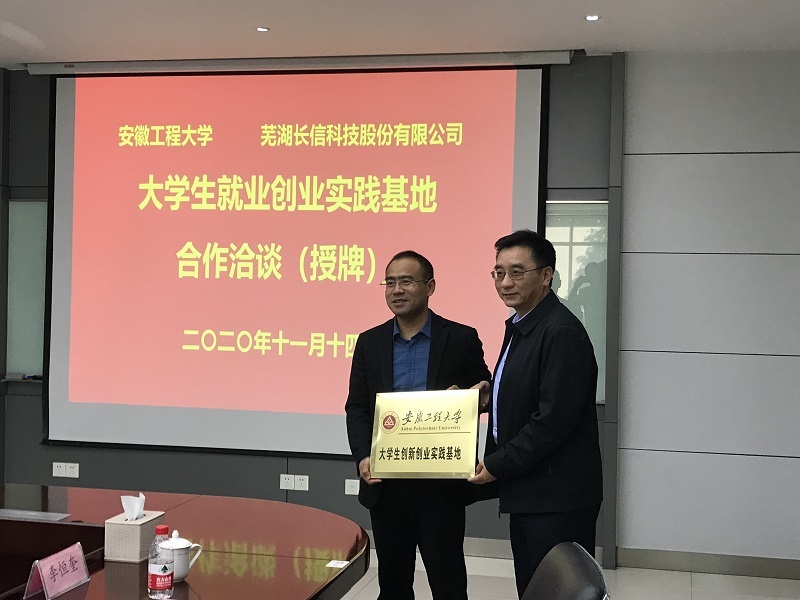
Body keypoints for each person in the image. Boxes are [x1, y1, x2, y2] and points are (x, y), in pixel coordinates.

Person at [345, 250, 491, 600]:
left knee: (448, 583)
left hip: (440, 487)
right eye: (390, 282)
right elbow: (358, 408)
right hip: (387, 487)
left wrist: (477, 395)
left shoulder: (460, 339)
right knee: (393, 585)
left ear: (430, 286)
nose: (397, 290)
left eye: (407, 281)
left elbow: (485, 393)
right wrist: (363, 457)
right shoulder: (370, 342)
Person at [468, 230, 603, 598]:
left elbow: (551, 422)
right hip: (532, 490)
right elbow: (528, 391)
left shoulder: (560, 331)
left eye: (517, 272)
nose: (505, 282)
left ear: (546, 276)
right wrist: (487, 395)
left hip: (556, 499)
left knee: (556, 591)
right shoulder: (524, 324)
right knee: (533, 589)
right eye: (498, 272)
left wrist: (496, 464)